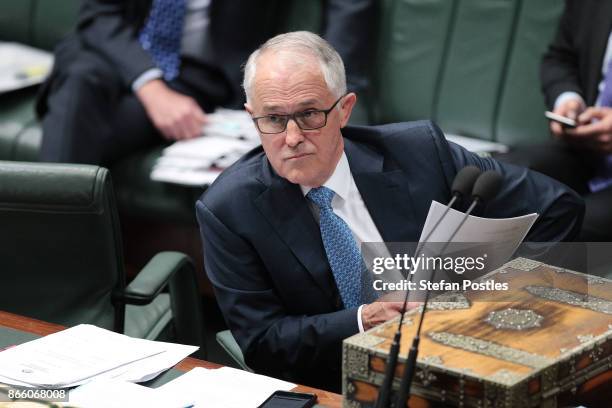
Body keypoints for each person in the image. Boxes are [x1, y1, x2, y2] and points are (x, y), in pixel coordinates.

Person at [196, 32, 584, 391]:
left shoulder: (420, 152)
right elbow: (263, 343)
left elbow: (557, 207)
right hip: (337, 380)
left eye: (310, 114)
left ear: (345, 109)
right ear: (252, 116)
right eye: (274, 119)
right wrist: (366, 319)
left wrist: (486, 296)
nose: (292, 137)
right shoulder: (229, 209)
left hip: (468, 355)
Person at [35, 0, 375, 165]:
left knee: (75, 131)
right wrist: (149, 84)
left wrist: (325, 79)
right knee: (79, 84)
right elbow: (99, 15)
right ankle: (57, 259)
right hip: (111, 54)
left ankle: (51, 261)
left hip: (197, 75)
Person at [500, 0, 612, 240]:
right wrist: (568, 99)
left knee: (566, 232)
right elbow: (560, 57)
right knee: (495, 179)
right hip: (585, 150)